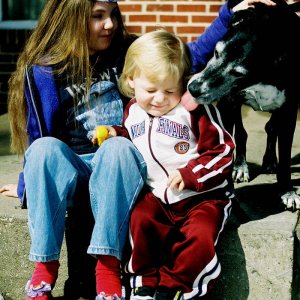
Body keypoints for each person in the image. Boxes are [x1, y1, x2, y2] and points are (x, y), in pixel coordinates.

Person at [0, 0, 276, 299]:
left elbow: (187, 57)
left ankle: (107, 269)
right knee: (43, 149)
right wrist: (32, 183)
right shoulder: (45, 70)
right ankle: (44, 269)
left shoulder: (126, 52)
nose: (110, 24)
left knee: (117, 147)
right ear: (72, 19)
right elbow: (38, 133)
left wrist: (227, 13)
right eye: (98, 17)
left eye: (113, 15)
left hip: (121, 165)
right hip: (76, 167)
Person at [104, 29, 234, 300]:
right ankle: (144, 283)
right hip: (158, 197)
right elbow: (135, 134)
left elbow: (224, 150)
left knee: (199, 237)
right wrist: (116, 133)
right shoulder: (133, 111)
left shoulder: (194, 109)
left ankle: (177, 288)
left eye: (170, 90)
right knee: (140, 221)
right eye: (150, 90)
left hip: (203, 197)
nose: (160, 99)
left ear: (182, 83)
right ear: (131, 81)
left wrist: (191, 173)